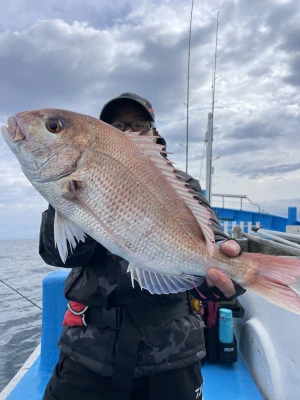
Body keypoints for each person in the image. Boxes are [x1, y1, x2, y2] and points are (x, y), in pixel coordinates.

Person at [40, 93, 245, 400]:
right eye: (117, 125)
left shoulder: (182, 184)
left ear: (155, 134)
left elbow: (209, 236)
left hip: (170, 353)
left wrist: (223, 268)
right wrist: (76, 200)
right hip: (89, 349)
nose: (129, 131)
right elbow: (58, 254)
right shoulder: (74, 178)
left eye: (139, 124)